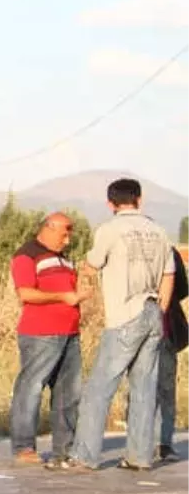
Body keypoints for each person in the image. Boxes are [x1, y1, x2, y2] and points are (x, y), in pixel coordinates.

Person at [67, 178, 175, 472]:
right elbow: (168, 275)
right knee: (143, 389)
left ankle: (84, 456)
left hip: (124, 314)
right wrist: (160, 310)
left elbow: (92, 264)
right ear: (139, 200)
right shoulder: (158, 231)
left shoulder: (110, 230)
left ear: (110, 203)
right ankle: (139, 457)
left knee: (99, 388)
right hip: (153, 311)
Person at [7, 212, 90, 466]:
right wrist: (63, 297)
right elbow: (26, 293)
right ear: (48, 227)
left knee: (69, 393)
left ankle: (64, 449)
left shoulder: (63, 259)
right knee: (30, 388)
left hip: (70, 333)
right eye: (64, 233)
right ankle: (23, 446)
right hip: (41, 333)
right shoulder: (27, 255)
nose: (67, 240)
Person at [155, 245, 188, 462]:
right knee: (166, 390)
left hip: (131, 326)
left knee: (143, 389)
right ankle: (164, 443)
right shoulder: (168, 250)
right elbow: (184, 289)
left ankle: (141, 442)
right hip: (165, 330)